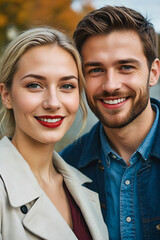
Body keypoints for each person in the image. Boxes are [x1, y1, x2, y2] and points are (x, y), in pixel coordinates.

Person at [60, 5, 160, 240]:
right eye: (95, 70)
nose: (110, 85)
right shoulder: (66, 169)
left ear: (153, 72)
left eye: (126, 67)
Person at [0, 26, 108, 240]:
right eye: (34, 85)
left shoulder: (83, 186)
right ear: (7, 95)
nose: (53, 103)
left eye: (67, 86)